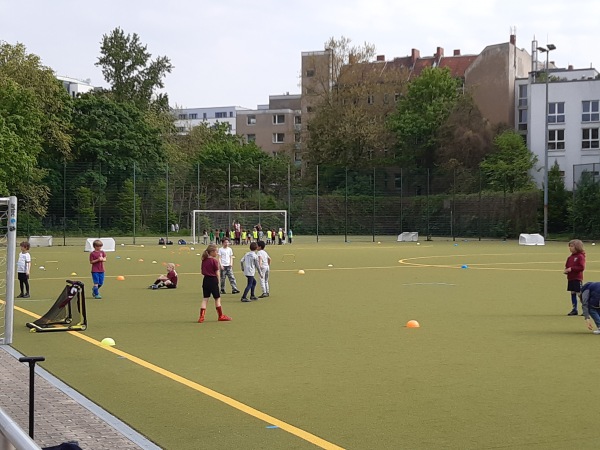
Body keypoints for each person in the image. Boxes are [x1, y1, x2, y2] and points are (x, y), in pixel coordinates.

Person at [198, 244, 231, 323]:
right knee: (217, 298)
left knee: (205, 299)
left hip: (205, 280)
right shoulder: (214, 261)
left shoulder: (204, 260)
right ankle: (220, 316)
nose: (217, 253)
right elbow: (217, 272)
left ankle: (201, 317)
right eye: (216, 251)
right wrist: (218, 281)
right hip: (213, 280)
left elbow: (202, 271)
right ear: (212, 252)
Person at [564, 239, 586, 316]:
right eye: (569, 246)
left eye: (572, 246)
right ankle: (574, 309)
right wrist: (566, 270)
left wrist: (571, 269)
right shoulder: (570, 257)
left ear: (577, 247)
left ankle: (585, 309)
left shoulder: (580, 256)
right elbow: (567, 266)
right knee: (572, 293)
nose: (570, 248)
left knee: (579, 294)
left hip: (577, 278)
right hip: (570, 278)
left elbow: (581, 267)